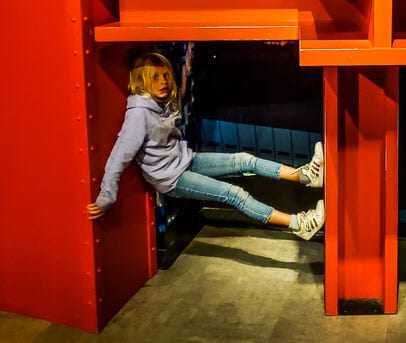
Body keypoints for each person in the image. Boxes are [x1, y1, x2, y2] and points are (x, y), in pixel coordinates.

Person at [86, 52, 326, 241]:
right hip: (172, 178)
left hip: (186, 160)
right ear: (142, 83)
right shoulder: (139, 114)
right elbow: (119, 156)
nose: (163, 82)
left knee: (244, 160)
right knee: (234, 194)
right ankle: (299, 224)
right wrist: (106, 197)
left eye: (165, 76)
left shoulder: (159, 105)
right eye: (155, 78)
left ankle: (306, 176)